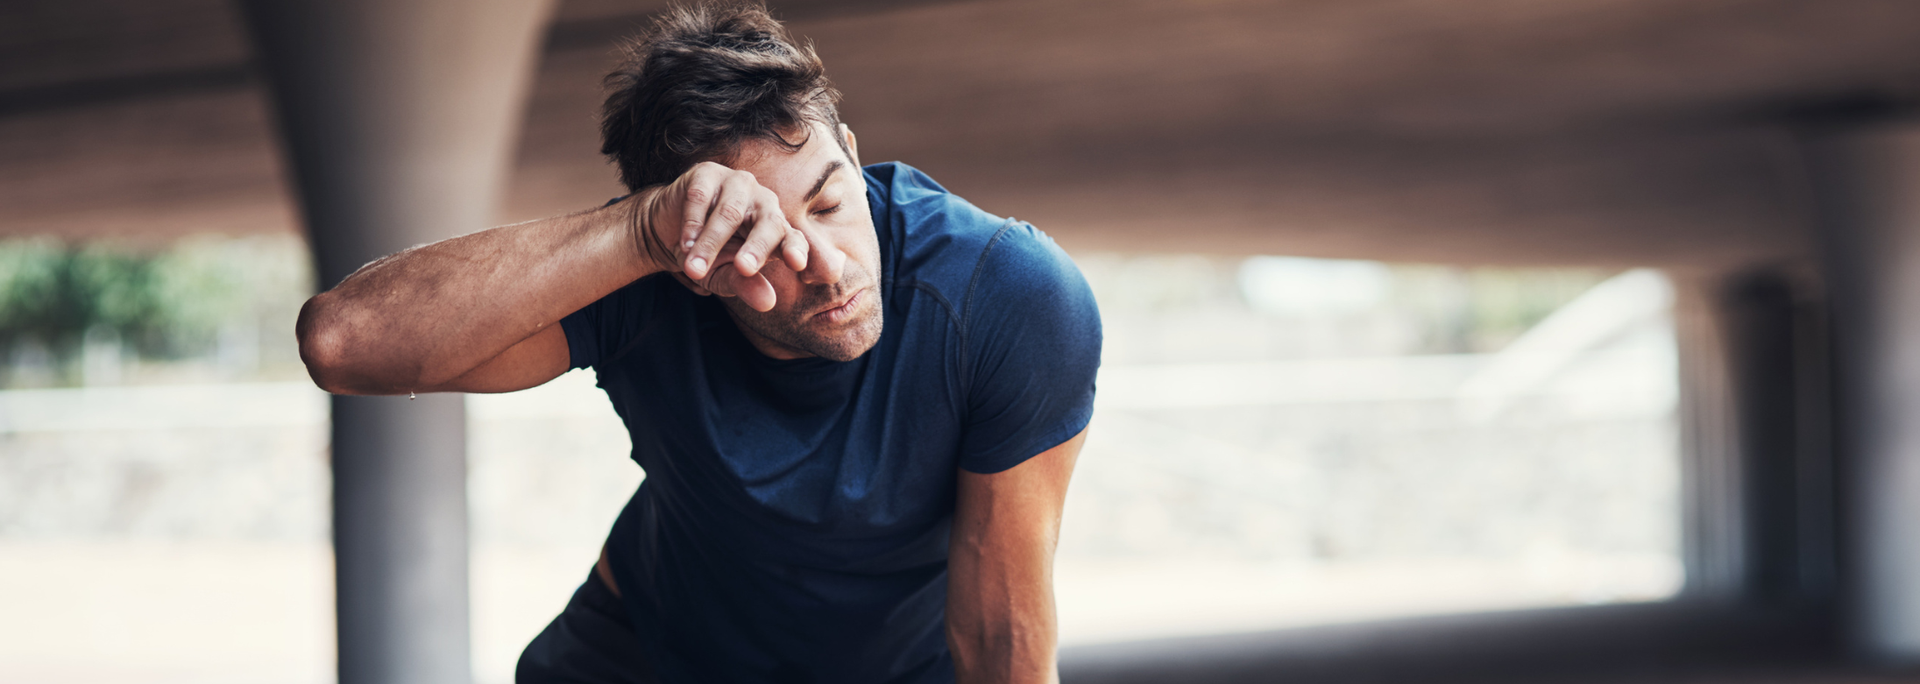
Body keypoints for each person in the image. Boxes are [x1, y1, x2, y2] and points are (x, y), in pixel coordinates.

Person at [294, 2, 1101, 682]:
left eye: (829, 204)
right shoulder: (641, 278)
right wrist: (638, 231)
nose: (826, 268)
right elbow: (340, 343)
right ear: (693, 262)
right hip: (649, 649)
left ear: (853, 154)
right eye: (764, 243)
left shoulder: (1004, 294)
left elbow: (998, 636)